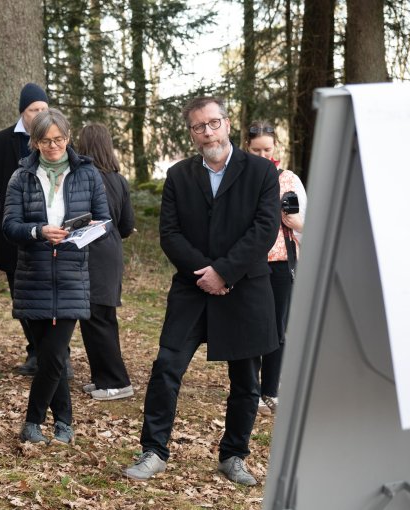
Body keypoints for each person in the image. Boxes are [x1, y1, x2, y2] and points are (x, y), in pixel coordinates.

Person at [124, 96, 280, 486]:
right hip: (192, 289)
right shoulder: (179, 175)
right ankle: (154, 450)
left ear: (227, 124)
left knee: (246, 380)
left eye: (213, 123)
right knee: (166, 368)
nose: (207, 131)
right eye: (199, 126)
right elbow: (170, 233)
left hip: (244, 288)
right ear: (191, 133)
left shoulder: (261, 171)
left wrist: (224, 273)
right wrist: (204, 274)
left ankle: (234, 456)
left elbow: (264, 229)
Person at [3, 108, 110, 445]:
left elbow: (106, 222)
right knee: (53, 355)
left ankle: (33, 421)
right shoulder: (21, 177)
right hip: (33, 274)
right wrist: (37, 231)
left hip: (70, 274)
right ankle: (64, 422)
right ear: (34, 142)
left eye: (59, 140)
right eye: (46, 141)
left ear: (68, 136)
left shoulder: (88, 174)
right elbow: (9, 226)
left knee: (55, 351)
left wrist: (85, 231)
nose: (53, 147)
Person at [0, 83, 51, 376]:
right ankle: (35, 351)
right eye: (33, 110)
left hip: (48, 233)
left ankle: (53, 353)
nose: (39, 115)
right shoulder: (1, 141)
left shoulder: (56, 138)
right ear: (22, 112)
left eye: (43, 109)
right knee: (21, 297)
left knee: (48, 297)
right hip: (12, 235)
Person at [244, 120, 306, 415]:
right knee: (253, 326)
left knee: (278, 328)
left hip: (282, 262)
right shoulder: (238, 177)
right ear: (247, 148)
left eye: (267, 149)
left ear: (276, 148)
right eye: (257, 150)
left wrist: (294, 222)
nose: (263, 155)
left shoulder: (289, 179)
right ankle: (250, 390)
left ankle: (271, 390)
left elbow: (309, 222)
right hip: (249, 262)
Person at [75, 124, 135, 401]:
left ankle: (116, 382)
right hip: (110, 253)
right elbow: (126, 225)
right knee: (96, 317)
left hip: (94, 254)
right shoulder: (119, 179)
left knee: (99, 319)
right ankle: (101, 378)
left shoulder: (85, 178)